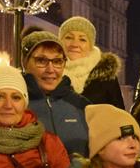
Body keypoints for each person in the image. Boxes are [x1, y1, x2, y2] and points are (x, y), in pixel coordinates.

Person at [21, 30, 90, 159]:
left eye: (57, 61)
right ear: (25, 63)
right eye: (41, 60)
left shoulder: (81, 105)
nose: (50, 69)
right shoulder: (14, 104)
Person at [59, 15, 125, 108]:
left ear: (90, 45)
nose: (75, 44)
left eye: (82, 39)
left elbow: (119, 116)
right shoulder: (50, 71)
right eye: (69, 37)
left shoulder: (106, 76)